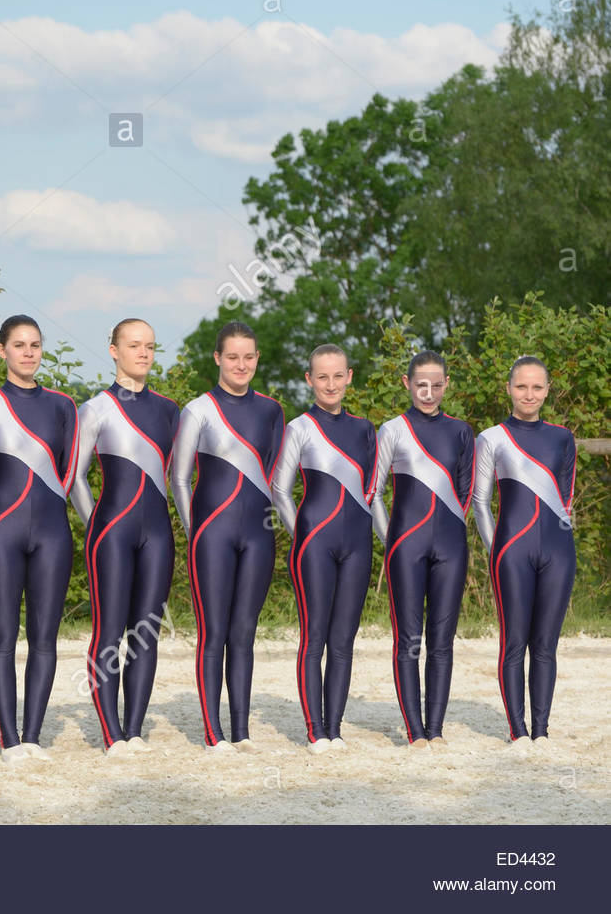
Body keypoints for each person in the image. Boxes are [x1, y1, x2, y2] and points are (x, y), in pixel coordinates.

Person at [0, 315, 78, 764]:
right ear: (2, 351)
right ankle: (9, 740)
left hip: (52, 532)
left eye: (34, 345)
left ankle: (33, 736)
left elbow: (68, 471)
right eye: (18, 345)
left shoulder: (63, 405)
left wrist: (56, 507)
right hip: (1, 533)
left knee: (45, 637)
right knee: (4, 637)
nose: (28, 353)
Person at [70, 318, 181, 757]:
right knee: (110, 631)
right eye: (134, 345)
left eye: (150, 346)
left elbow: (179, 475)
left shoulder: (170, 411)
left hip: (157, 532)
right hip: (111, 531)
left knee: (146, 632)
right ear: (113, 350)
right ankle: (112, 734)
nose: (143, 354)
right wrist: (94, 522)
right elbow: (74, 477)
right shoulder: (94, 408)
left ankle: (135, 730)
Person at [171, 321, 284, 753]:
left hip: (258, 535)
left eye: (249, 356)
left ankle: (241, 729)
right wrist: (194, 528)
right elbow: (179, 479)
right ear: (218, 358)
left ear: (257, 359)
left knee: (245, 631)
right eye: (232, 356)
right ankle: (213, 732)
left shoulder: (272, 411)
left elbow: (273, 477)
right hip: (211, 535)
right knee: (213, 631)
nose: (241, 364)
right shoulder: (197, 409)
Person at [271, 344, 377, 752]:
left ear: (349, 376)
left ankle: (335, 726)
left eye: (337, 376)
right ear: (309, 380)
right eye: (322, 377)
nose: (330, 384)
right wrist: (300, 533)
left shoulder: (366, 429)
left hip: (357, 544)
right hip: (313, 543)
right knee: (314, 638)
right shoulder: (298, 428)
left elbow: (371, 489)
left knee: (344, 639)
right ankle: (315, 730)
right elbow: (280, 488)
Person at [371, 351, 474, 749]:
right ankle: (415, 732)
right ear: (406, 383)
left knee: (442, 640)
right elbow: (373, 493)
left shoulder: (461, 431)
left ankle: (437, 729)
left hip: (451, 546)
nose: (428, 392)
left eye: (436, 384)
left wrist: (456, 531)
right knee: (409, 639)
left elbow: (466, 493)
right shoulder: (392, 430)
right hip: (405, 546)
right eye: (420, 383)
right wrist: (390, 539)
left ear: (446, 384)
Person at [472, 356, 576, 749]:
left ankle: (542, 731)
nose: (529, 394)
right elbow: (480, 502)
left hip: (559, 551)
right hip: (511, 551)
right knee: (514, 642)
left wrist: (563, 539)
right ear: (509, 389)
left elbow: (563, 500)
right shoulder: (491, 438)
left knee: (546, 644)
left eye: (536, 387)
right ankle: (517, 732)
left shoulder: (562, 437)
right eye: (521, 387)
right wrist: (494, 547)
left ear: (547, 390)